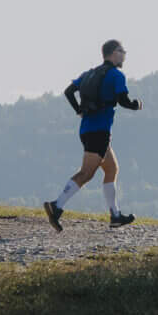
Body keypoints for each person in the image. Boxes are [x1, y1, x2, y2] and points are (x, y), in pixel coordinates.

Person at [45, 38, 140, 230]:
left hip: (88, 129)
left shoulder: (89, 73)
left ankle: (115, 215)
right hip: (100, 131)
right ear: (114, 53)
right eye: (123, 51)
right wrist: (136, 105)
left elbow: (69, 91)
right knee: (86, 173)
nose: (125, 55)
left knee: (112, 169)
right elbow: (123, 101)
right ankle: (56, 206)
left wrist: (78, 110)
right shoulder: (116, 75)